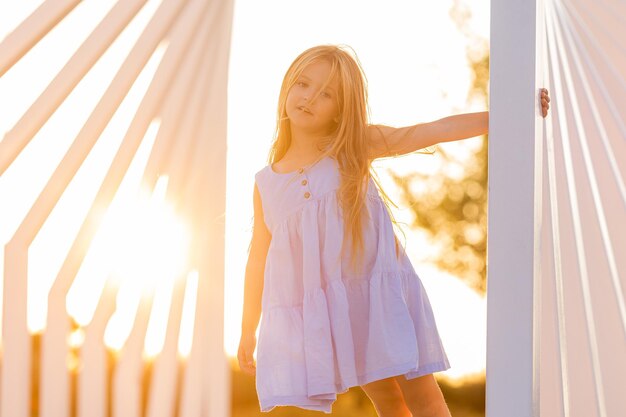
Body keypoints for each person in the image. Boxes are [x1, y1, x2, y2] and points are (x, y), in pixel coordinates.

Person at [238, 44, 550, 416]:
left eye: (326, 94)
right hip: (342, 308)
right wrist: (248, 328)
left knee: (422, 394)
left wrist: (509, 112)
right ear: (288, 86)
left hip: (381, 294)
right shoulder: (266, 183)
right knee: (387, 401)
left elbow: (430, 131)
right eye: (303, 84)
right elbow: (258, 258)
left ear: (341, 110)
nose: (309, 98)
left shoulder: (350, 147)